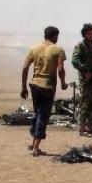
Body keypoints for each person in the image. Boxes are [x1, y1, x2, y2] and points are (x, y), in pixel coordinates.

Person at [21, 26, 68, 156]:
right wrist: (63, 83)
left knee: (37, 113)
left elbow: (25, 68)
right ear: (55, 36)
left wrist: (24, 87)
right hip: (48, 86)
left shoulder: (33, 48)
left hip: (34, 85)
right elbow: (60, 70)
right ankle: (36, 148)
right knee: (43, 115)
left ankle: (33, 143)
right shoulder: (58, 50)